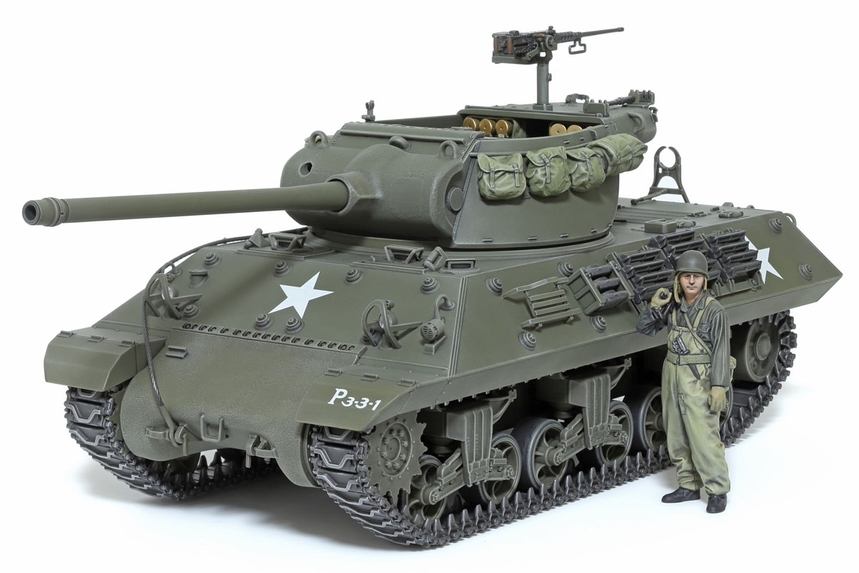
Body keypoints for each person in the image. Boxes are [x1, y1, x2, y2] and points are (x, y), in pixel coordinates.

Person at [636, 250, 730, 514]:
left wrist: (719, 386)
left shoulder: (714, 311)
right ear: (678, 279)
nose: (691, 281)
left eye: (696, 276)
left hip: (698, 376)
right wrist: (655, 306)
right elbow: (644, 328)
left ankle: (717, 489)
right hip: (672, 373)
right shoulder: (672, 306)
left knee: (703, 435)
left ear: (704, 280)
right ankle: (688, 484)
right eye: (686, 276)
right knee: (676, 433)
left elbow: (721, 350)